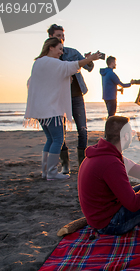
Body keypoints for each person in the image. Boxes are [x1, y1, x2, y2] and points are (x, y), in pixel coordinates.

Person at [78, 116, 140, 235]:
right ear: (126, 136)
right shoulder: (111, 163)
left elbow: (137, 170)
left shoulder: (103, 153)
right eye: (131, 132)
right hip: (110, 224)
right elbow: (133, 204)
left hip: (105, 215)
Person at [25, 37, 101, 180]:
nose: (61, 52)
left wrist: (65, 79)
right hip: (51, 109)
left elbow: (44, 81)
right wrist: (91, 58)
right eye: (59, 49)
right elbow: (72, 66)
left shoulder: (38, 63)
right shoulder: (51, 62)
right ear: (51, 48)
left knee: (50, 139)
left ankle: (46, 171)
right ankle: (52, 173)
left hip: (40, 109)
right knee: (58, 139)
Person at [48, 24, 94, 171]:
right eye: (58, 36)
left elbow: (89, 67)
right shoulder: (48, 58)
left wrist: (88, 59)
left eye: (62, 36)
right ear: (50, 38)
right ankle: (65, 165)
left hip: (77, 96)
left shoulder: (72, 52)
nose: (61, 39)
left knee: (83, 129)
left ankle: (82, 165)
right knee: (60, 133)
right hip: (59, 98)